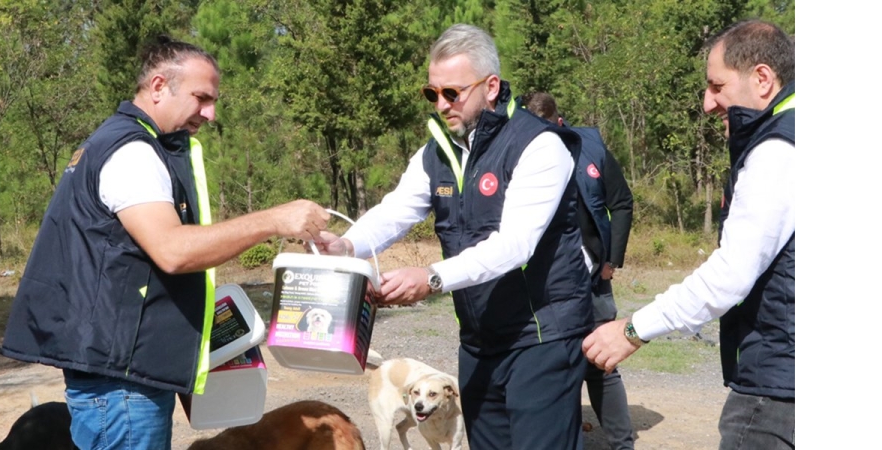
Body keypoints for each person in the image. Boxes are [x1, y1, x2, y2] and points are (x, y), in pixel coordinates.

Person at [0, 35, 329, 450]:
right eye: (201, 97)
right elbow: (173, 251)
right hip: (120, 386)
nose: (210, 113)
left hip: (122, 375)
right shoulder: (132, 153)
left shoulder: (123, 143)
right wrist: (274, 220)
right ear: (158, 87)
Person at [315, 24, 593, 449]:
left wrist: (431, 276)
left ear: (492, 86)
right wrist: (346, 245)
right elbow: (394, 210)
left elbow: (515, 244)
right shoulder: (438, 150)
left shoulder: (539, 145)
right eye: (432, 93)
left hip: (542, 336)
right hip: (479, 340)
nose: (441, 104)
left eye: (453, 93)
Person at [582, 19, 794, 450]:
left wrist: (633, 329)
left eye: (717, 86)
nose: (707, 102)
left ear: (762, 79)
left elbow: (732, 273)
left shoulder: (777, 152)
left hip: (777, 386)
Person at [526, 91, 636, 450]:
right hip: (543, 280)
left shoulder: (591, 146)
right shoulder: (517, 149)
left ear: (560, 121)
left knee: (602, 362)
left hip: (592, 276)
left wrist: (612, 260)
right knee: (556, 362)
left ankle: (623, 444)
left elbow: (621, 202)